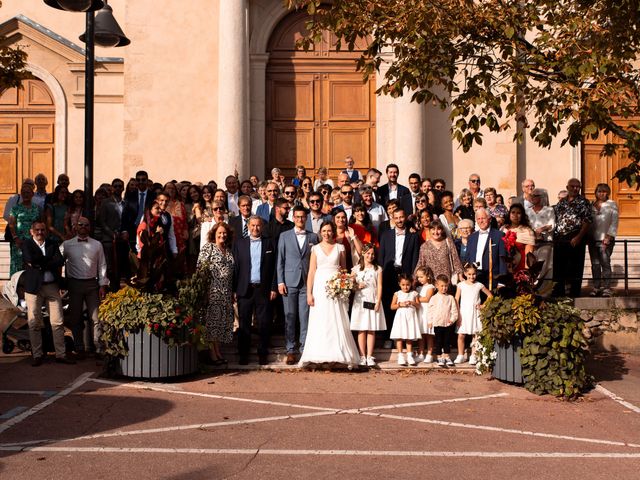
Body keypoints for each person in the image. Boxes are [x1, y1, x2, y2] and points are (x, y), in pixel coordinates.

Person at [299, 221, 361, 368]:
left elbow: (343, 270)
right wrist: (309, 293)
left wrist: (343, 287)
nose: (326, 233)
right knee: (320, 321)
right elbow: (312, 272)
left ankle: (337, 355)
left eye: (329, 231)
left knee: (336, 320)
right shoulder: (315, 249)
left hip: (336, 289)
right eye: (324, 231)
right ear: (320, 232)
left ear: (333, 232)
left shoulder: (340, 248)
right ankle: (318, 355)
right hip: (320, 289)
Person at [21, 220, 74, 366]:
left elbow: (59, 261)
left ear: (46, 231)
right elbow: (30, 260)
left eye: (43, 230)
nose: (40, 232)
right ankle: (37, 355)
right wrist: (49, 261)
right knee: (34, 323)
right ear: (31, 231)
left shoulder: (52, 243)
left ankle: (61, 354)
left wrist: (41, 263)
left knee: (57, 321)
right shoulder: (27, 244)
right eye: (37, 230)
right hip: (33, 289)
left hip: (51, 286)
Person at [62, 217, 108, 360]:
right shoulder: (67, 245)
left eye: (86, 225)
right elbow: (58, 262)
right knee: (75, 318)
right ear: (75, 227)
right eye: (80, 224)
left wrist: (102, 284)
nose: (83, 227)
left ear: (90, 227)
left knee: (97, 318)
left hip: (92, 285)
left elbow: (102, 265)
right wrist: (61, 283)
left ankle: (98, 347)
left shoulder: (97, 245)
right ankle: (79, 348)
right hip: (74, 284)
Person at [277, 206, 319, 364]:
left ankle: (304, 349)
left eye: (303, 217)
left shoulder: (313, 237)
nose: (300, 219)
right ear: (293, 218)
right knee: (290, 316)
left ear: (306, 218)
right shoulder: (284, 236)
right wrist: (280, 281)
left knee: (305, 317)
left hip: (307, 283)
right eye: (297, 217)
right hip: (289, 282)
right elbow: (280, 260)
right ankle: (290, 349)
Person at [233, 216, 277, 365]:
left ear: (262, 227)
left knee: (264, 323)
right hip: (244, 289)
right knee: (244, 323)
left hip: (263, 289)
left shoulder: (270, 243)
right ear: (248, 226)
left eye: (258, 226)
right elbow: (236, 268)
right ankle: (243, 354)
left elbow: (275, 268)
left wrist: (273, 287)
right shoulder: (239, 244)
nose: (255, 228)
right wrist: (234, 289)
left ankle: (262, 353)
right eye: (252, 225)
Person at [378, 208, 420, 348]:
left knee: (406, 306)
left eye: (402, 217)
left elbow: (415, 257)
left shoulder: (413, 235)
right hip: (389, 273)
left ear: (405, 217)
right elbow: (381, 257)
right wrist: (381, 275)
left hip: (406, 274)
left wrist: (413, 276)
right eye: (396, 218)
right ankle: (389, 337)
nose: (399, 220)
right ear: (392, 218)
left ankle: (406, 338)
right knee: (390, 305)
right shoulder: (385, 235)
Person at [198, 222, 235, 365]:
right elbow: (200, 269)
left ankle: (218, 352)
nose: (222, 235)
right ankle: (213, 355)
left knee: (220, 324)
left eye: (224, 233)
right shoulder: (209, 248)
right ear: (214, 233)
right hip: (212, 291)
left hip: (225, 293)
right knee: (212, 324)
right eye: (219, 232)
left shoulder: (228, 250)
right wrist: (204, 290)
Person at [552, 178, 592, 297]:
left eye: (578, 187)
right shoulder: (561, 202)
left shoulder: (584, 202)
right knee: (559, 267)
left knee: (575, 267)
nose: (575, 189)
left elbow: (587, 221)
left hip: (575, 236)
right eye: (573, 186)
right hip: (560, 238)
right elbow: (556, 218)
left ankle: (574, 293)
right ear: (567, 187)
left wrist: (579, 237)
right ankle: (558, 293)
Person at [350, 243, 386, 367]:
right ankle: (362, 356)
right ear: (363, 254)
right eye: (368, 253)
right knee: (361, 328)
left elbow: (380, 286)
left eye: (372, 254)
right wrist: (356, 286)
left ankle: (370, 356)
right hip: (360, 301)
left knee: (371, 329)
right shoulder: (356, 269)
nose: (370, 256)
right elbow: (349, 284)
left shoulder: (377, 269)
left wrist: (378, 301)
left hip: (372, 299)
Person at [454, 263, 492, 365]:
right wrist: (457, 314)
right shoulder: (460, 285)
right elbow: (456, 299)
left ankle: (474, 355)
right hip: (463, 313)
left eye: (474, 274)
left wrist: (483, 306)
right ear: (465, 273)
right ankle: (460, 355)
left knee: (475, 334)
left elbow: (490, 296)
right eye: (469, 274)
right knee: (461, 334)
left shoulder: (479, 285)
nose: (472, 276)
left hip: (475, 313)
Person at [462, 208, 508, 290]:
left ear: (489, 219)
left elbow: (502, 259)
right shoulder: (472, 237)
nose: (481, 221)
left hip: (493, 279)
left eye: (483, 218)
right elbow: (467, 258)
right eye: (478, 219)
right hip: (474, 278)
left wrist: (502, 281)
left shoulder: (499, 235)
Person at [588, 183, 618, 297]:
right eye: (599, 191)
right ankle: (596, 287)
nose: (602, 193)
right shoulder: (591, 205)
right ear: (596, 192)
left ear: (608, 193)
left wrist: (609, 236)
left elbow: (614, 221)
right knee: (595, 264)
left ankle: (606, 288)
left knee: (605, 263)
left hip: (606, 239)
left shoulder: (612, 204)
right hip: (592, 239)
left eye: (604, 191)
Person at [414, 220, 464, 286]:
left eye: (438, 229)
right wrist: (414, 279)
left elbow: (456, 260)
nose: (436, 232)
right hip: (431, 282)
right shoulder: (424, 246)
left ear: (442, 230)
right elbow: (421, 263)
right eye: (433, 229)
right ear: (429, 230)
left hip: (446, 282)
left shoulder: (448, 242)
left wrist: (460, 276)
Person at [8, 184, 41, 276]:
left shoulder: (36, 208)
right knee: (18, 265)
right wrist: (15, 238)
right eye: (23, 193)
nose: (26, 194)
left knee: (31, 263)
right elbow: (11, 224)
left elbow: (40, 223)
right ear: (21, 194)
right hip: (19, 241)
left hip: (33, 241)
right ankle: (16, 287)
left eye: (28, 192)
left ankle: (30, 287)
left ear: (32, 194)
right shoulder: (15, 208)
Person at [390, 273, 422, 366]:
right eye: (403, 285)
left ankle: (409, 355)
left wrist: (412, 302)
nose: (405, 287)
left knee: (409, 337)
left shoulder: (414, 293)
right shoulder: (397, 294)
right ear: (399, 284)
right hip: (400, 317)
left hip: (410, 318)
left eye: (407, 284)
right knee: (399, 337)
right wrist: (400, 304)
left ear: (411, 284)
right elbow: (392, 306)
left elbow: (419, 306)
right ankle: (400, 355)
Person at [526, 187, 555, 287]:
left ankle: (544, 291)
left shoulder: (549, 210)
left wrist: (541, 229)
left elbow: (552, 224)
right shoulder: (528, 211)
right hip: (531, 243)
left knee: (545, 266)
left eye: (535, 195)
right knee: (531, 266)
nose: (532, 197)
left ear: (541, 197)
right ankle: (531, 288)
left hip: (545, 242)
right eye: (532, 195)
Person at [428, 274, 459, 367]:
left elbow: (454, 311)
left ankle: (447, 356)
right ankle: (439, 357)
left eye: (446, 286)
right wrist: (430, 321)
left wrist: (452, 320)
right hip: (437, 323)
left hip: (447, 324)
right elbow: (430, 311)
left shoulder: (450, 298)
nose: (444, 288)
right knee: (438, 341)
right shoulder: (434, 298)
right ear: (437, 285)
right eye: (442, 286)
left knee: (447, 341)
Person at [502, 203, 536, 272]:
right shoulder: (503, 229)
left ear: (522, 215)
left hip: (520, 267)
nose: (515, 215)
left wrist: (527, 272)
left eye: (518, 213)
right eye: (513, 212)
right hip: (504, 266)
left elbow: (529, 254)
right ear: (509, 214)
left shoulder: (527, 231)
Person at [415, 266, 436, 364]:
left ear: (427, 276)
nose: (419, 279)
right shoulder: (418, 288)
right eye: (418, 277)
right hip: (420, 313)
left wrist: (415, 298)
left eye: (421, 277)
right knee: (421, 334)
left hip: (427, 312)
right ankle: (421, 353)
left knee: (429, 334)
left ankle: (429, 354)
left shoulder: (430, 287)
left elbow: (427, 299)